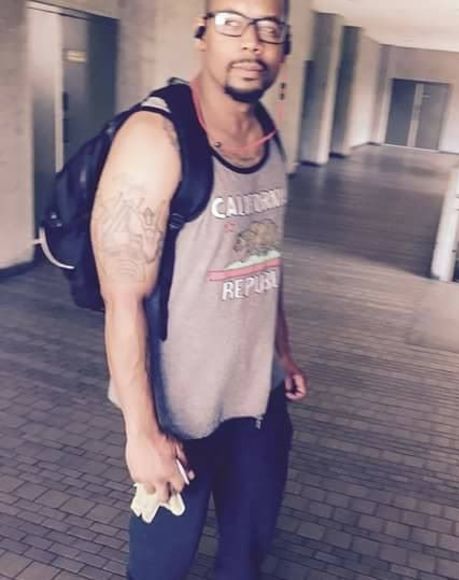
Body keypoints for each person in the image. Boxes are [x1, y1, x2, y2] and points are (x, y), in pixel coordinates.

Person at [90, 0, 307, 577]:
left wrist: (282, 352)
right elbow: (123, 298)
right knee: (160, 566)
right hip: (177, 410)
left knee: (246, 555)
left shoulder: (269, 136)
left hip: (257, 400)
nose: (252, 42)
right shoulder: (156, 137)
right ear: (202, 34)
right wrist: (141, 433)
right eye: (232, 22)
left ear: (284, 45)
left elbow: (264, 255)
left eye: (269, 28)